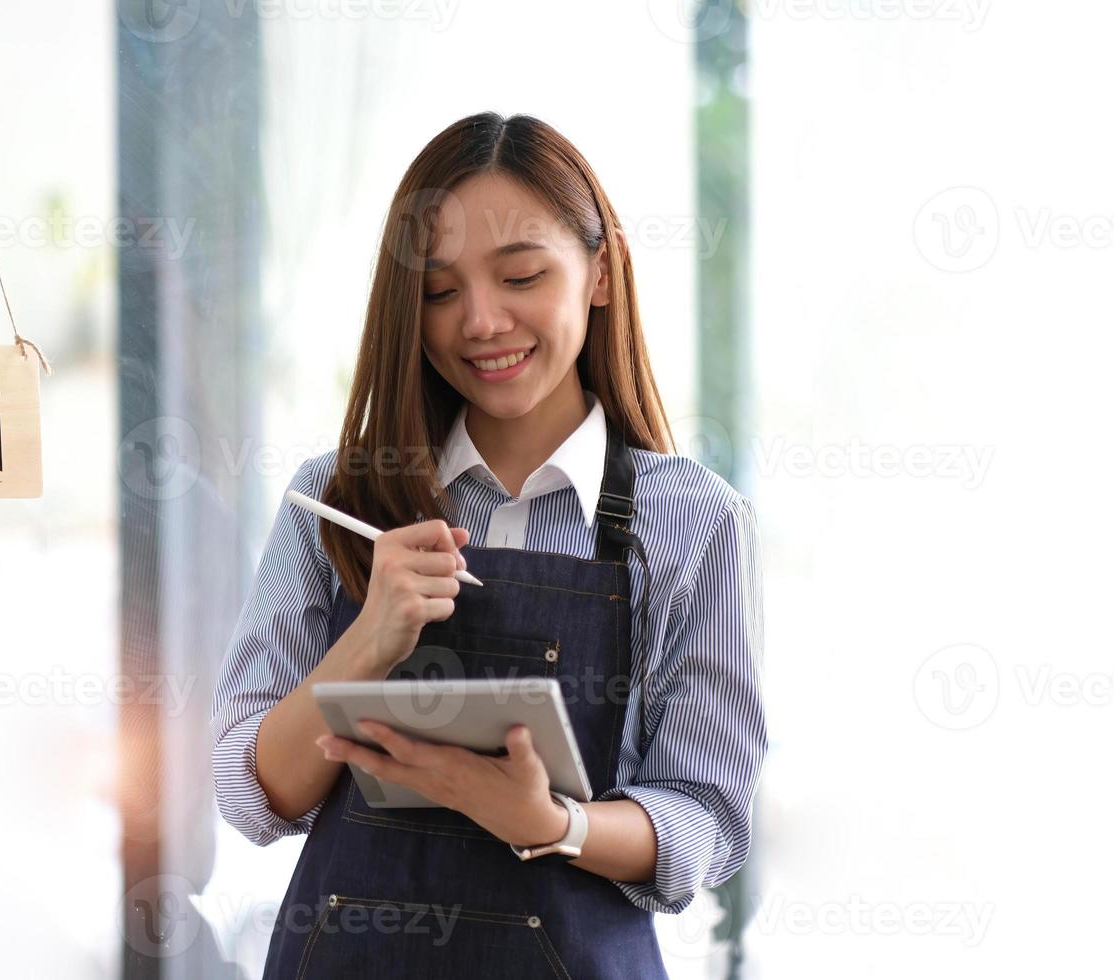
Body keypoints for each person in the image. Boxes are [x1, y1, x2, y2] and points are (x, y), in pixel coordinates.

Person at [211, 112, 766, 978]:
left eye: (519, 276)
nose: (478, 321)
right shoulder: (335, 500)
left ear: (601, 272)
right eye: (438, 292)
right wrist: (366, 642)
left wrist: (550, 824)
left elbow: (705, 820)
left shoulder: (693, 523)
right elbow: (253, 797)